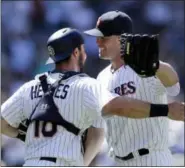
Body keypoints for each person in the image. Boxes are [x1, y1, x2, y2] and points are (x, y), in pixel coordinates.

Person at [1, 28, 184, 167]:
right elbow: (117, 106)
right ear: (76, 53)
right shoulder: (86, 85)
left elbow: (2, 122)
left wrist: (24, 135)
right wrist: (165, 109)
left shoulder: (29, 87)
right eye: (82, 49)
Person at [84, 10, 182, 166]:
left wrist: (155, 64)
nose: (97, 42)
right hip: (117, 161)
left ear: (120, 39)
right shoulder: (101, 77)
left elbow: (174, 87)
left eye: (103, 37)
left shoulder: (148, 67)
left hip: (151, 159)